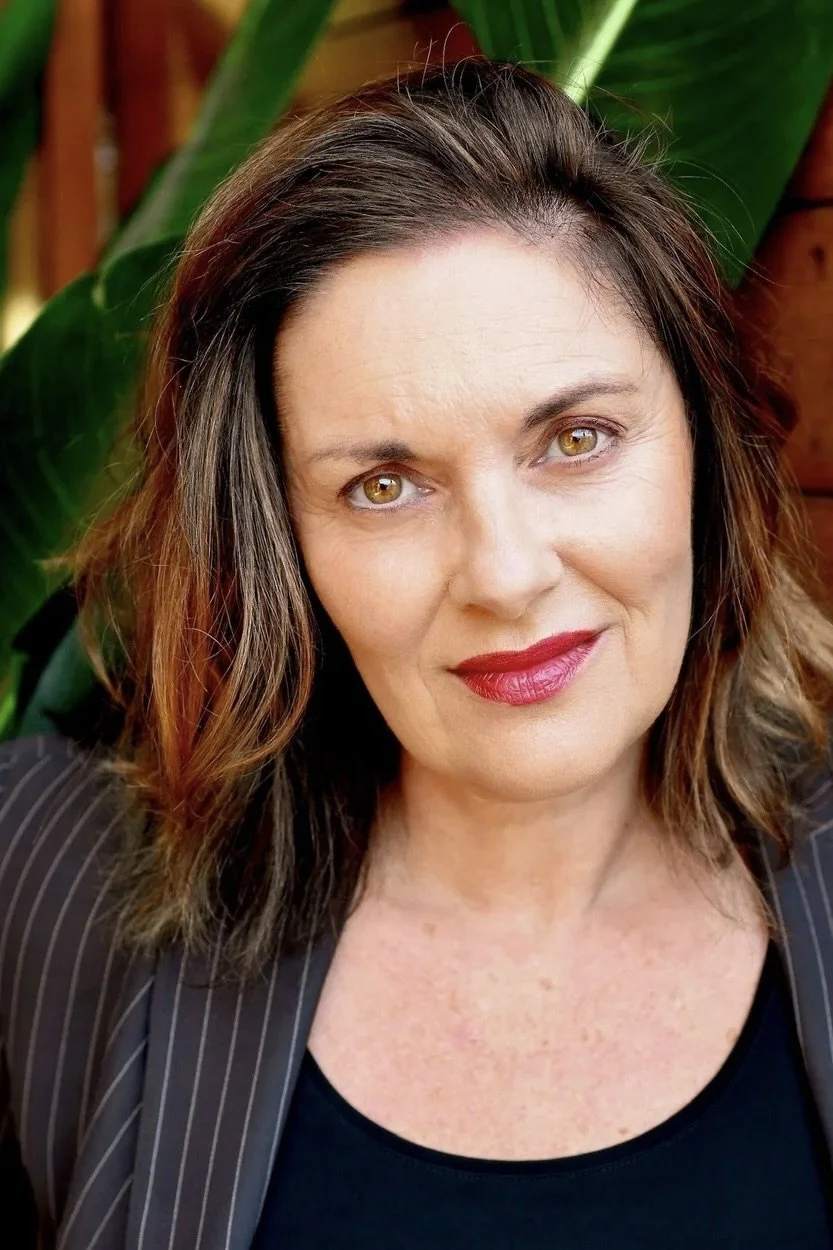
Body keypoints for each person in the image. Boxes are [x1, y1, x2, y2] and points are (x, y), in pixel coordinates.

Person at [3, 55, 833, 1250]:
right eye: (382, 484)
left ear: (703, 448)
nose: (501, 572)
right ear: (280, 535)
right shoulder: (43, 871)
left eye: (576, 438)